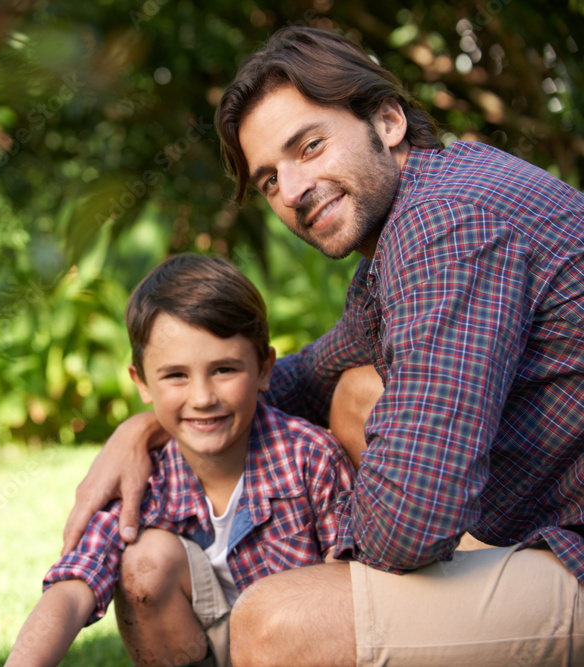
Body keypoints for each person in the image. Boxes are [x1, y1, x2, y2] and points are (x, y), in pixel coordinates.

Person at [63, 26, 584, 666]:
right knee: (354, 393)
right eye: (270, 180)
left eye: (309, 146)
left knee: (278, 622)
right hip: (550, 523)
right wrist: (147, 428)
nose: (295, 189)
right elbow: (305, 377)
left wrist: (315, 548)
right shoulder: (411, 227)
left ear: (388, 121)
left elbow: (410, 523)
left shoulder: (448, 223)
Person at [6, 254, 354, 667]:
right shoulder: (141, 477)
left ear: (265, 370)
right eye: (176, 375)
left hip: (298, 645)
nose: (203, 398)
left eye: (224, 369)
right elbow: (73, 586)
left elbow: (349, 597)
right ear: (142, 383)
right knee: (144, 560)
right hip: (207, 644)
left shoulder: (311, 458)